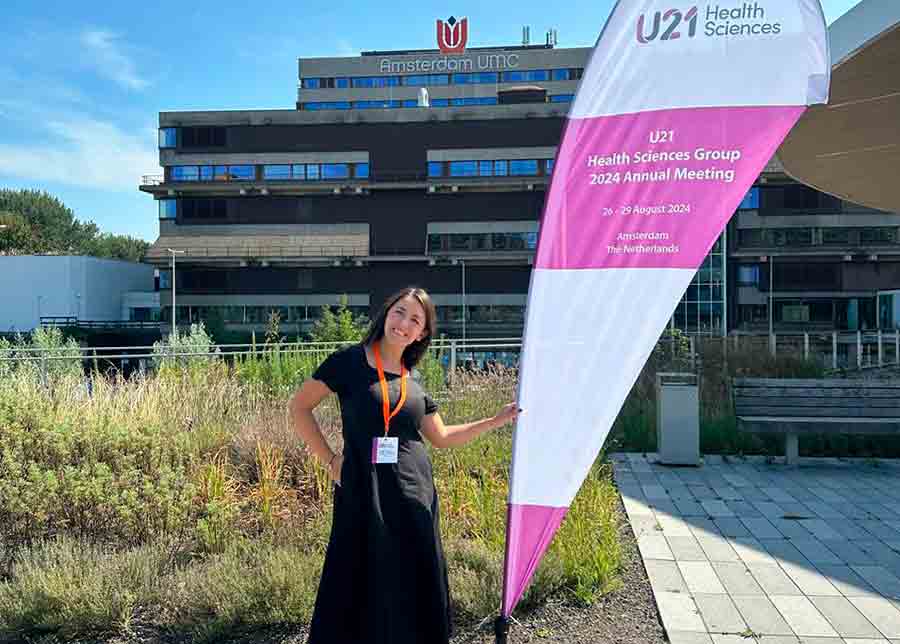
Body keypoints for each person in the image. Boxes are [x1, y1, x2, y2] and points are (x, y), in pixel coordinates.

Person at [290, 287, 519, 644]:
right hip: (363, 491)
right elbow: (299, 407)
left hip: (414, 496)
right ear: (386, 314)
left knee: (411, 586)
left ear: (422, 333)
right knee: (357, 580)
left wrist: (495, 420)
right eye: (399, 312)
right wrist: (331, 460)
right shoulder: (348, 362)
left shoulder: (413, 380)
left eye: (415, 319)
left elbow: (442, 436)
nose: (403, 323)